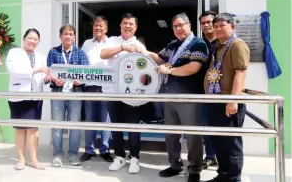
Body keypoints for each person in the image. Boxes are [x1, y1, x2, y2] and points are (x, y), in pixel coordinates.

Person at [142, 13, 209, 182]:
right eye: (175, 26)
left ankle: (194, 169)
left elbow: (194, 67)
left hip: (189, 97)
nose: (178, 29)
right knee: (171, 134)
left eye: (181, 25)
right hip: (170, 95)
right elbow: (159, 58)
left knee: (193, 135)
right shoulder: (173, 45)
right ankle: (175, 165)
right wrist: (142, 51)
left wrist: (170, 71)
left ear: (189, 26)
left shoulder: (198, 44)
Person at [204, 13, 250, 182]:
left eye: (222, 25)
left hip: (228, 103)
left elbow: (240, 73)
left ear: (232, 26)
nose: (218, 29)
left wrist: (233, 100)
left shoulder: (237, 45)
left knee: (231, 143)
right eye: (215, 26)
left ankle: (233, 178)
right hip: (215, 102)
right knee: (219, 141)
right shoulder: (219, 46)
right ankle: (223, 174)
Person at [100, 13, 146, 174]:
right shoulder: (112, 41)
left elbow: (147, 69)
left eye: (131, 24)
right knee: (116, 126)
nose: (128, 26)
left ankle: (134, 158)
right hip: (113, 92)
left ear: (135, 27)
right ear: (120, 26)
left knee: (133, 127)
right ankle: (119, 156)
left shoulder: (139, 45)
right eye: (125, 23)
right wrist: (123, 48)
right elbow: (103, 54)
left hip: (133, 95)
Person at [6, 28, 49, 170]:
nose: (33, 41)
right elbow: (15, 72)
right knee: (20, 128)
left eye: (36, 39)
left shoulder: (41, 57)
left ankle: (33, 159)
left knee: (32, 129)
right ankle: (21, 159)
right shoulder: (14, 53)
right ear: (24, 39)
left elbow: (42, 77)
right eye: (30, 38)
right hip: (18, 95)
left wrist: (47, 78)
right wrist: (37, 70)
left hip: (35, 96)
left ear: (39, 42)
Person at [47, 24, 89, 167]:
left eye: (71, 34)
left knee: (74, 125)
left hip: (76, 93)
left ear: (74, 36)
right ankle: (57, 154)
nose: (68, 36)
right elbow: (49, 71)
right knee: (57, 124)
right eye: (66, 34)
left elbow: (86, 73)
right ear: (60, 36)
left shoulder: (80, 53)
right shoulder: (53, 52)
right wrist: (54, 79)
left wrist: (80, 81)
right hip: (58, 92)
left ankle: (73, 154)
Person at [80, 16, 113, 163]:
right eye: (95, 26)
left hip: (107, 87)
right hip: (90, 86)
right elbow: (81, 63)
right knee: (90, 119)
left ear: (106, 29)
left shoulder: (112, 43)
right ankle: (89, 150)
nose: (98, 28)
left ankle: (105, 150)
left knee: (106, 120)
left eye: (101, 26)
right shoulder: (86, 44)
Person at [199, 10, 218, 169]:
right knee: (206, 126)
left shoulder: (224, 43)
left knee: (222, 128)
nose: (206, 25)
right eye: (203, 23)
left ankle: (223, 158)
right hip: (202, 93)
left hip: (220, 93)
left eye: (209, 22)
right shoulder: (199, 44)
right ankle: (210, 156)